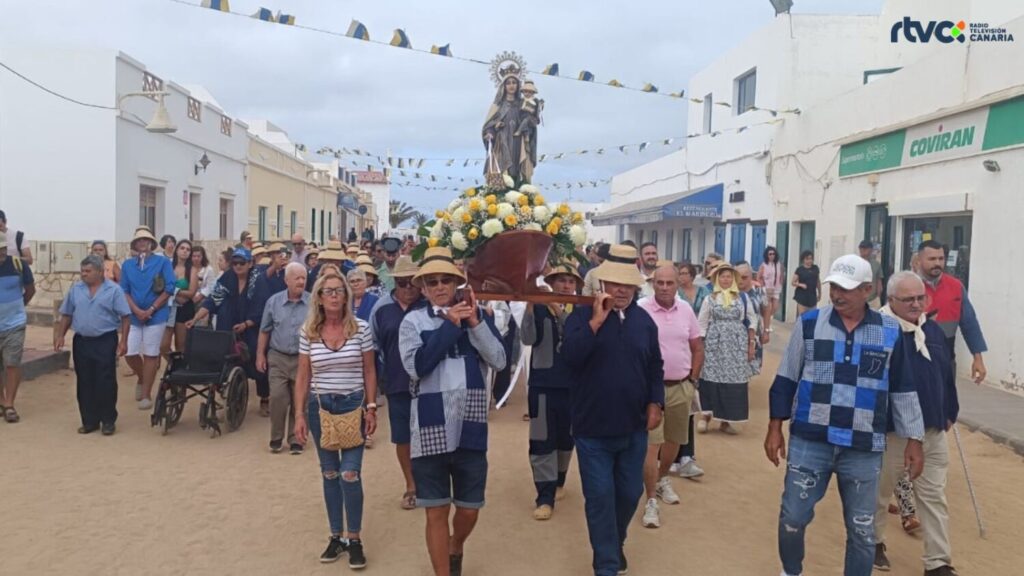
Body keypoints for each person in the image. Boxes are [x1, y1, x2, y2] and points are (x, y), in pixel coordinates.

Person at [765, 254, 925, 576]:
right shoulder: (809, 324)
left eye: (847, 288)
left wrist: (915, 439)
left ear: (868, 289)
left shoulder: (890, 331)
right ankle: (791, 571)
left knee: (863, 532)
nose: (837, 294)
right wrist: (774, 426)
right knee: (793, 517)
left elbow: (903, 388)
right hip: (811, 439)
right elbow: (786, 377)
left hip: (863, 446)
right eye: (834, 286)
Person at [398, 247, 506, 576]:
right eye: (432, 281)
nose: (440, 286)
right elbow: (417, 367)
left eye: (447, 280)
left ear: (458, 282)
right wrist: (450, 326)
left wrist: (473, 322)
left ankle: (456, 543)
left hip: (470, 426)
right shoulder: (412, 322)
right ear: (424, 287)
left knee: (470, 509)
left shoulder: (479, 316)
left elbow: (500, 360)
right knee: (435, 511)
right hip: (429, 426)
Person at [562, 244, 664, 576]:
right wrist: (595, 321)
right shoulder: (579, 317)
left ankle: (614, 542)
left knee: (630, 493)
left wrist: (655, 402)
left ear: (636, 286)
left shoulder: (644, 322)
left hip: (633, 427)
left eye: (627, 284)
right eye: (614, 283)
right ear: (602, 283)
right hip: (592, 428)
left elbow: (654, 366)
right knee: (600, 498)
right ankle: (605, 564)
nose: (620, 290)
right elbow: (571, 359)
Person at [872, 271, 960, 575]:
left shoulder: (932, 331)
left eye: (920, 297)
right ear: (891, 300)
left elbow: (946, 373)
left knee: (934, 495)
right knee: (880, 492)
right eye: (908, 299)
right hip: (893, 432)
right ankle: (874, 542)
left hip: (932, 429)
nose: (916, 304)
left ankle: (938, 562)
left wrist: (949, 409)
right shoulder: (880, 330)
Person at [293, 273, 377, 569]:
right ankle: (336, 536)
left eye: (339, 291)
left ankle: (354, 538)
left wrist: (371, 406)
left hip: (353, 404)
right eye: (327, 291)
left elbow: (369, 370)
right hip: (320, 408)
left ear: (346, 296)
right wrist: (299, 415)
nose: (333, 296)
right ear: (318, 296)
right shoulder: (308, 331)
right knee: (329, 473)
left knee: (349, 474)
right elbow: (303, 374)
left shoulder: (361, 329)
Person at [637, 261, 703, 530]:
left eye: (669, 283)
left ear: (679, 284)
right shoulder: (641, 310)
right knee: (651, 446)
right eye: (659, 283)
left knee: (674, 441)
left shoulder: (686, 309)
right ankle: (651, 499)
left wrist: (693, 381)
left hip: (681, 387)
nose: (664, 288)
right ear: (652, 284)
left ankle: (663, 478)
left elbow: (697, 347)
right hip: (650, 390)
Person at [519, 263, 581, 521]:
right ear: (551, 282)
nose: (566, 285)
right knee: (542, 439)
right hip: (543, 384)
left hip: (573, 385)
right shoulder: (540, 307)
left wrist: (558, 309)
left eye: (570, 281)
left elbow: (579, 339)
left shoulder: (582, 310)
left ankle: (559, 481)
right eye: (560, 280)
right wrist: (531, 306)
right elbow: (527, 338)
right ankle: (544, 496)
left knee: (567, 439)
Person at [369, 256, 426, 511]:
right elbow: (373, 347)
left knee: (426, 434)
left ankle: (429, 483)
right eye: (403, 283)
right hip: (396, 383)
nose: (408, 288)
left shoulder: (428, 306)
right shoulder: (381, 309)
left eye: (413, 283)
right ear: (396, 283)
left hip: (427, 383)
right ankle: (411, 485)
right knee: (402, 438)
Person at [54, 255, 130, 435]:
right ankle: (89, 421)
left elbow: (125, 317)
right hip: (81, 341)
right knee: (84, 380)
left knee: (105, 380)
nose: (83, 275)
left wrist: (124, 341)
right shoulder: (76, 289)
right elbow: (67, 314)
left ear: (100, 271)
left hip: (105, 339)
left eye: (88, 271)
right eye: (82, 271)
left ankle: (108, 420)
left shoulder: (113, 290)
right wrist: (60, 335)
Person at [188, 248, 259, 398]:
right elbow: (212, 301)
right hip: (228, 326)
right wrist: (195, 319)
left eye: (242, 263)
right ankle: (224, 386)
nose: (238, 266)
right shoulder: (227, 278)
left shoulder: (257, 281)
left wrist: (247, 324)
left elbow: (261, 307)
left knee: (256, 356)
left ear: (250, 263)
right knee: (223, 355)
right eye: (235, 263)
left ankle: (264, 396)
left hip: (251, 326)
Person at [255, 262, 310, 455]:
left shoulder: (313, 303)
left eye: (304, 278)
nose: (301, 281)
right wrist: (260, 355)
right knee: (277, 397)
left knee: (300, 399)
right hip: (278, 356)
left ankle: (296, 438)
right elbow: (264, 330)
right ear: (286, 280)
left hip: (303, 359)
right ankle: (276, 437)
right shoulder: (273, 302)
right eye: (297, 278)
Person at [120, 226, 176, 411]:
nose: (142, 243)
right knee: (129, 352)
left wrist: (151, 308)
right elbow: (124, 290)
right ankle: (143, 377)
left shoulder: (162, 262)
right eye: (139, 241)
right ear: (135, 244)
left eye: (145, 240)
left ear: (151, 243)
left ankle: (146, 393)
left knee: (151, 353)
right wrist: (136, 310)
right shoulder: (128, 265)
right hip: (134, 315)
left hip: (157, 314)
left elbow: (169, 287)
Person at [917, 240, 988, 384]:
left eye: (941, 258)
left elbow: (970, 324)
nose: (937, 263)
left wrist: (978, 358)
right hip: (913, 360)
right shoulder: (907, 286)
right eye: (932, 259)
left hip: (946, 360)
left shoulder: (956, 287)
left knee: (946, 404)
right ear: (919, 260)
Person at [697, 263, 755, 435]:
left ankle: (725, 421)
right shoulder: (710, 299)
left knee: (732, 379)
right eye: (722, 276)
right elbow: (701, 323)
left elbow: (752, 320)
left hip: (736, 345)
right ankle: (705, 417)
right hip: (714, 344)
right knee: (710, 376)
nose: (726, 279)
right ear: (717, 279)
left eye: (729, 276)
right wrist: (700, 345)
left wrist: (751, 344)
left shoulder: (742, 298)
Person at [249, 242, 289, 417]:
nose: (280, 256)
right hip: (263, 321)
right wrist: (274, 267)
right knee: (263, 361)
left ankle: (281, 398)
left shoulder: (289, 270)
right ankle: (264, 399)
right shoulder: (260, 270)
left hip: (285, 322)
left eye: (281, 253)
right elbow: (260, 282)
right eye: (276, 253)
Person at [0, 231, 35, 423]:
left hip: (14, 324)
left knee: (12, 363)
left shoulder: (17, 265)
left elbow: (30, 289)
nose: (1, 254)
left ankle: (9, 404)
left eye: (2, 249)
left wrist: (19, 307)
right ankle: (1, 401)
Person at [482, 73, 530, 183]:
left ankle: (516, 189)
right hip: (501, 140)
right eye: (508, 83)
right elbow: (488, 125)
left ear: (518, 86)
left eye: (514, 83)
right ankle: (499, 191)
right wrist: (492, 129)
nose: (511, 85)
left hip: (518, 140)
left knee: (515, 167)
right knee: (500, 166)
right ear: (503, 86)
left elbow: (529, 122)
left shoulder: (521, 104)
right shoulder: (498, 105)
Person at [164, 239, 198, 358]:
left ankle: (180, 371)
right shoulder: (167, 266)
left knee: (181, 345)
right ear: (176, 250)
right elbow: (161, 285)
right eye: (182, 248)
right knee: (163, 345)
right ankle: (172, 365)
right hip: (167, 307)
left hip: (184, 309)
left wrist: (174, 291)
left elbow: (192, 293)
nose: (185, 251)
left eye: (188, 249)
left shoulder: (192, 270)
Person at [736, 261, 771, 373]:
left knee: (751, 368)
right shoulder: (731, 292)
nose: (740, 280)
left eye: (744, 277)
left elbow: (766, 309)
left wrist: (766, 331)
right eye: (737, 277)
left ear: (751, 276)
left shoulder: (759, 290)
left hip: (754, 336)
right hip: (735, 335)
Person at [757, 245, 783, 323]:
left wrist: (781, 283)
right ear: (767, 255)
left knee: (775, 307)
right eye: (770, 254)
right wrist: (763, 286)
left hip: (776, 288)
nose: (772, 255)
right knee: (768, 306)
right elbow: (759, 277)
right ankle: (766, 323)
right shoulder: (764, 265)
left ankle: (765, 318)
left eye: (773, 254)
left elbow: (781, 275)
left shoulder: (778, 264)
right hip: (767, 288)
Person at [791, 250, 821, 315]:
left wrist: (820, 294)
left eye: (811, 259)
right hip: (802, 296)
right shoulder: (800, 269)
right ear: (803, 260)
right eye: (807, 259)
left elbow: (818, 281)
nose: (809, 261)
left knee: (812, 317)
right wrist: (800, 285)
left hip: (812, 296)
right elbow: (793, 282)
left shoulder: (815, 268)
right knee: (803, 318)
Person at [859, 240, 883, 308]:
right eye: (861, 248)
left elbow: (879, 282)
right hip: (859, 299)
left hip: (873, 300)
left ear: (871, 250)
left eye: (865, 248)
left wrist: (878, 297)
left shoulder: (876, 264)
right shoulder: (855, 263)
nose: (862, 250)